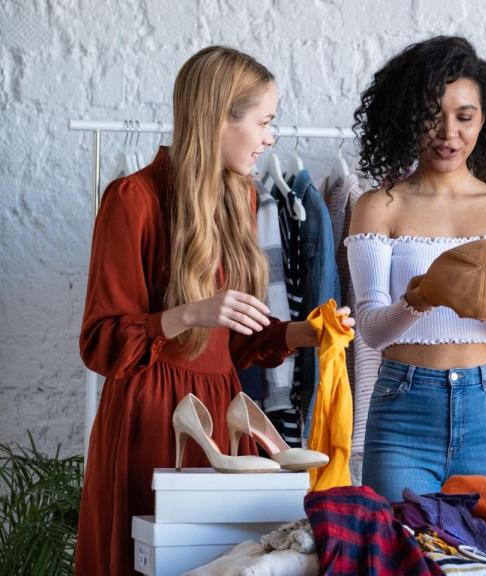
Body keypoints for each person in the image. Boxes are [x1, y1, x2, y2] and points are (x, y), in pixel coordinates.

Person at [75, 46, 351, 575]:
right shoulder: (132, 199)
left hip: (223, 414)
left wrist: (306, 333)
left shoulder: (241, 199)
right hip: (149, 412)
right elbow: (101, 341)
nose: (271, 138)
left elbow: (238, 339)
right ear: (219, 117)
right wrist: (186, 314)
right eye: (264, 122)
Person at [346, 36, 486, 501]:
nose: (448, 133)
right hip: (404, 409)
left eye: (464, 116)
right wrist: (420, 298)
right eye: (432, 115)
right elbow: (373, 333)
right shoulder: (380, 207)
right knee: (404, 558)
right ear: (405, 116)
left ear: (485, 118)